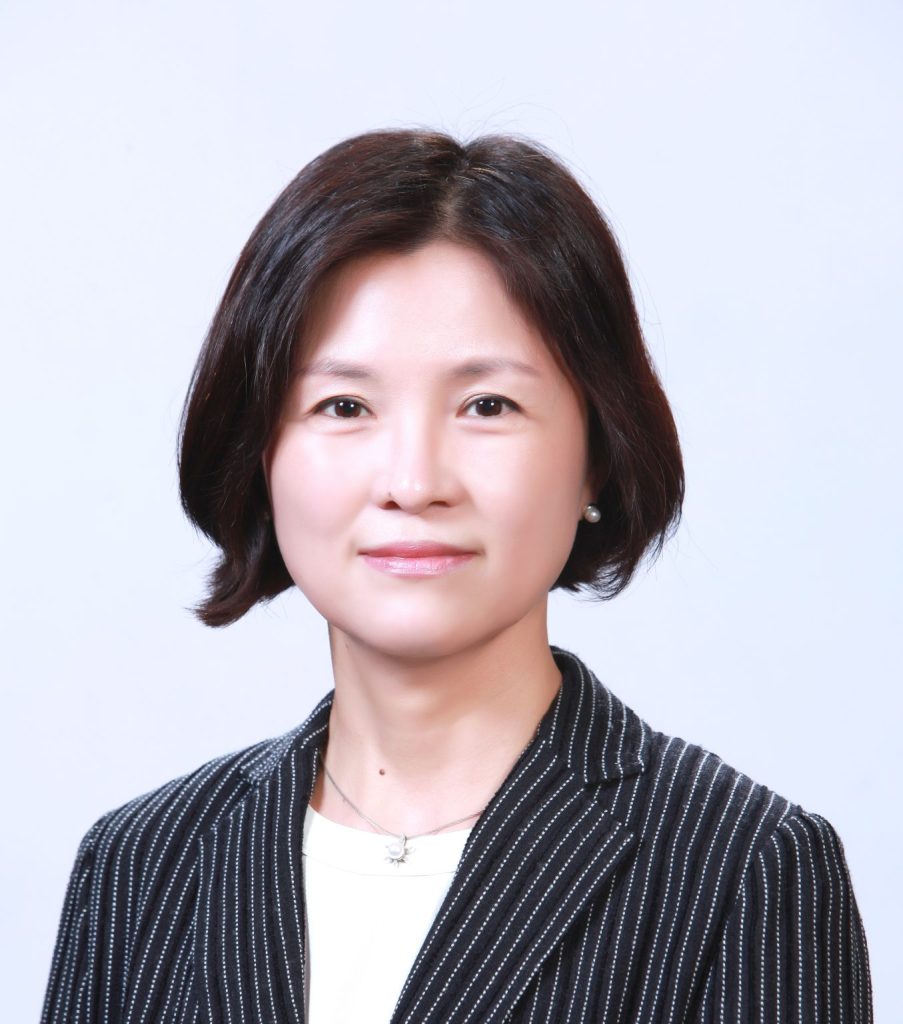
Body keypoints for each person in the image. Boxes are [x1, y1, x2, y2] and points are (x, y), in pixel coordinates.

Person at [41, 127, 873, 1024]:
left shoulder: (742, 869)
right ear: (260, 453)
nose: (413, 482)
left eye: (487, 405)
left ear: (596, 455)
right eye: (343, 405)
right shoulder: (139, 867)